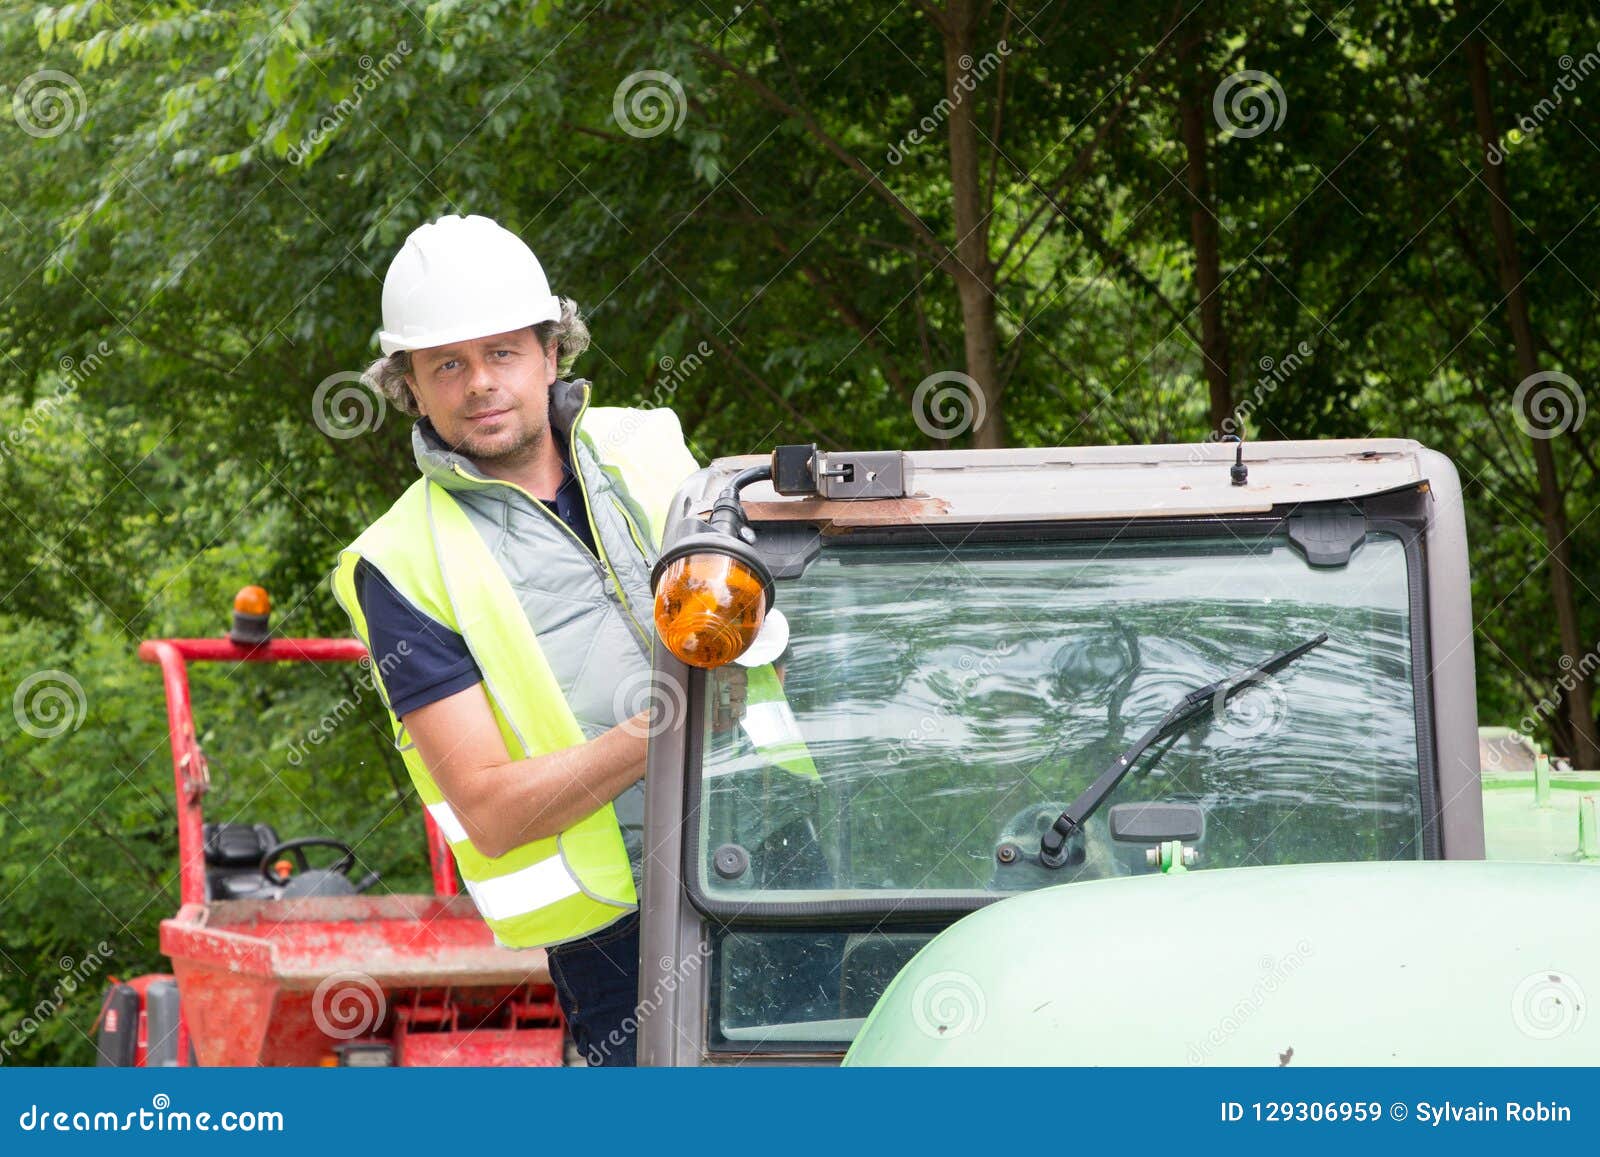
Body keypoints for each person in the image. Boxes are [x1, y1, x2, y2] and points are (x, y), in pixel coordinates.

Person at [329, 213, 699, 1066]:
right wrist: (671, 725)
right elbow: (490, 810)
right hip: (623, 942)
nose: (479, 384)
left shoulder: (652, 447)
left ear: (552, 352)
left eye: (503, 352)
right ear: (411, 387)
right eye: (447, 364)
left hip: (789, 864)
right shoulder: (401, 559)